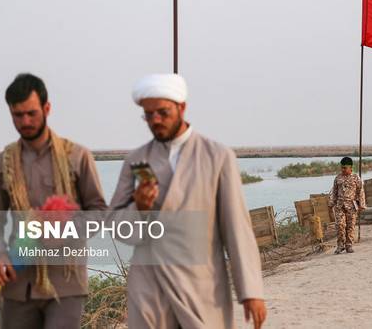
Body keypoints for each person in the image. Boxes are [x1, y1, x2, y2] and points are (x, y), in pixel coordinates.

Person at [110, 74, 266, 328]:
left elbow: (236, 228)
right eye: (149, 115)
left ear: (182, 107)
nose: (155, 120)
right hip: (149, 286)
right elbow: (116, 227)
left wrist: (251, 291)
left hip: (202, 286)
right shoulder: (135, 160)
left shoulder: (217, 156)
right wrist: (138, 208)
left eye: (162, 112)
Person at [0, 73, 107, 328]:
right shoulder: (3, 163)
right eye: (18, 115)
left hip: (65, 283)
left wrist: (64, 229)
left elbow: (98, 212)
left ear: (47, 108)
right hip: (17, 283)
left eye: (32, 113)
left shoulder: (77, 157)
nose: (25, 121)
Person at [329, 157, 366, 254]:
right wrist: (331, 203)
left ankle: (349, 245)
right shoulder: (338, 178)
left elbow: (360, 191)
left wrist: (362, 204)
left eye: (345, 168)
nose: (343, 170)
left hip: (352, 205)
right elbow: (334, 192)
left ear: (351, 168)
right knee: (340, 225)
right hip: (340, 205)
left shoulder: (356, 178)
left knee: (350, 226)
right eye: (342, 168)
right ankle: (340, 245)